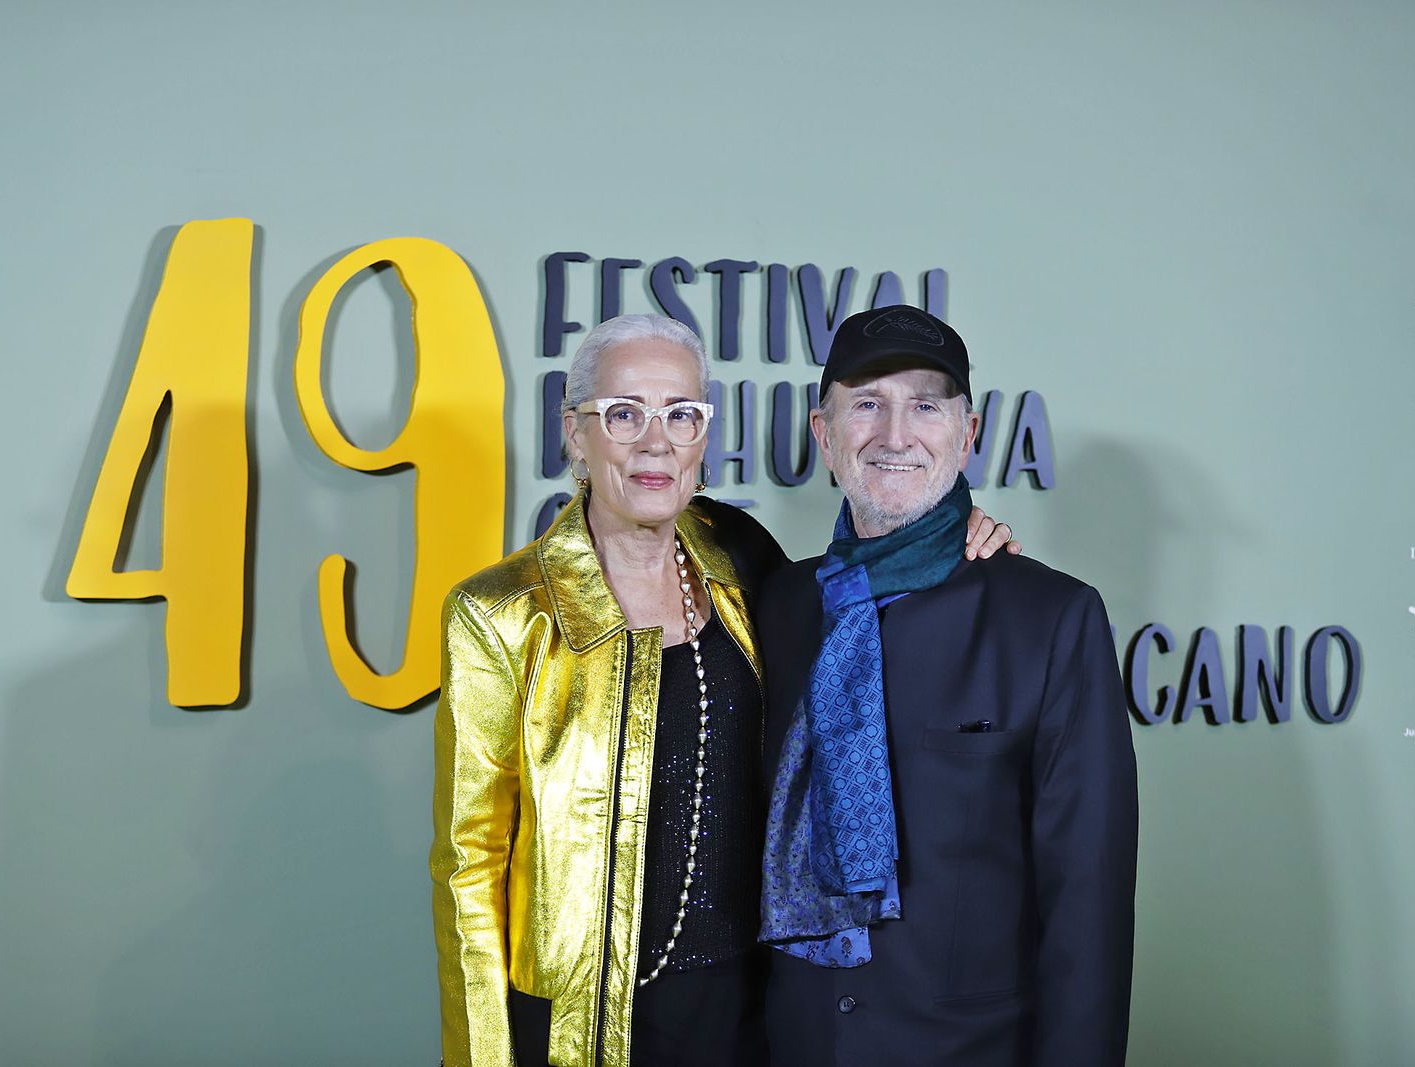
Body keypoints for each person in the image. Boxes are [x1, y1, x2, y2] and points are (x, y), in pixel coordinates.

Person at [430, 313, 1015, 1067]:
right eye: (623, 414)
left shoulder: (744, 559)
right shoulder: (500, 613)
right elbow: (469, 864)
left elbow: (859, 601)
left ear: (702, 436)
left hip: (749, 1014)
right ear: (575, 433)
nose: (655, 442)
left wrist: (956, 532)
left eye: (681, 414)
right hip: (581, 1023)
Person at [757, 304, 1139, 1067]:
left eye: (926, 406)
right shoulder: (774, 605)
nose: (895, 435)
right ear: (824, 434)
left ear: (967, 436)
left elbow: (1087, 905)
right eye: (867, 404)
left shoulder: (1051, 618)